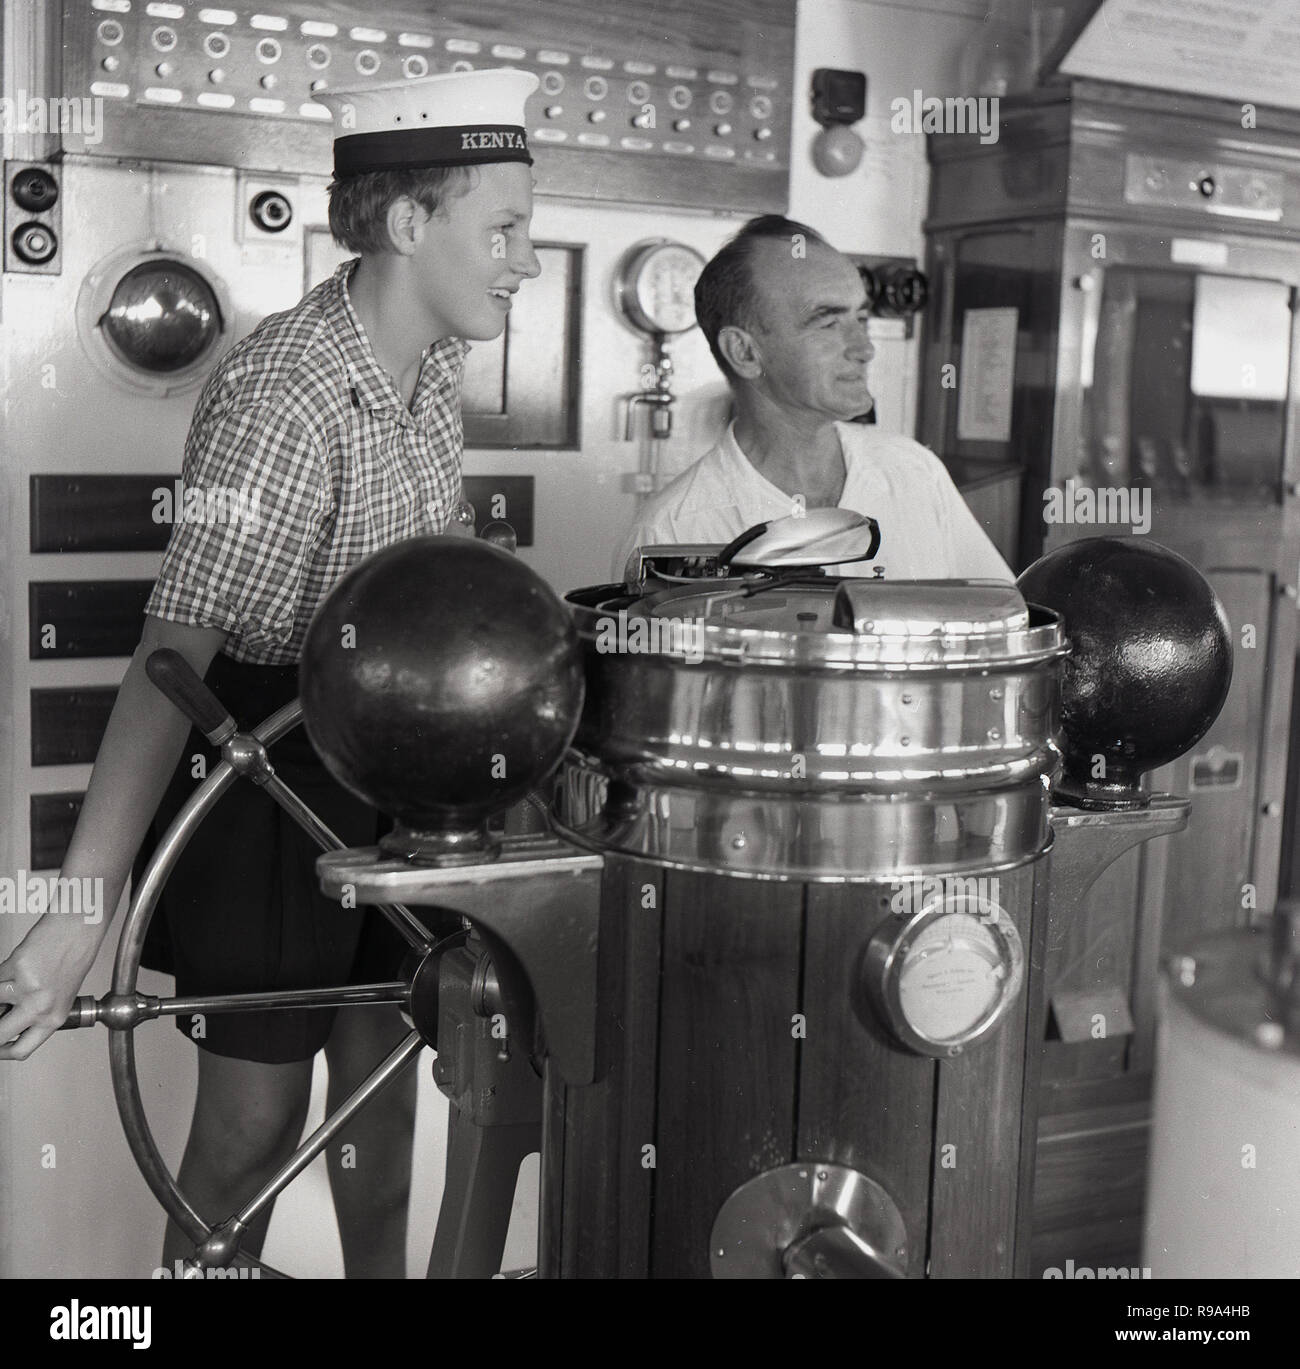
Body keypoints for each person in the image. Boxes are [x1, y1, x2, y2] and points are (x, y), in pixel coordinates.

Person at [0, 68, 542, 1277]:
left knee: (386, 1107)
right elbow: (172, 660)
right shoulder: (286, 393)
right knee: (251, 1131)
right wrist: (79, 917)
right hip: (262, 784)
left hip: (388, 774)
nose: (526, 262)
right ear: (410, 225)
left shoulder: (436, 370)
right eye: (503, 230)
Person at [614, 214, 1013, 582]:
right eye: (828, 322)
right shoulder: (671, 530)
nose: (864, 348)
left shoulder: (914, 473)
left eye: (860, 319)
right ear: (745, 352)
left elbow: (1004, 617)